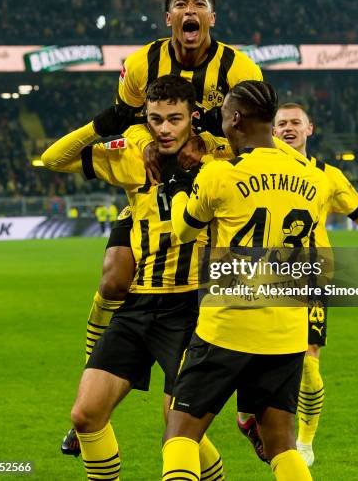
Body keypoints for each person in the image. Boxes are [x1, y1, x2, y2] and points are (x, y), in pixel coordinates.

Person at [58, 0, 264, 456]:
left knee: (233, 285)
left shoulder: (238, 66)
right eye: (180, 4)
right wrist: (149, 147)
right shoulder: (141, 64)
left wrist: (212, 139)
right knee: (113, 281)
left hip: (208, 182)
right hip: (149, 183)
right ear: (168, 16)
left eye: (199, 4)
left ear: (212, 16)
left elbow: (257, 131)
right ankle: (95, 379)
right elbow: (125, 119)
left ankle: (251, 408)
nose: (190, 11)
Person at [42, 77, 225, 481]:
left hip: (192, 308)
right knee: (86, 415)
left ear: (192, 118)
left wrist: (214, 132)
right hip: (139, 305)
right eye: (156, 119)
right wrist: (102, 124)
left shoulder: (217, 160)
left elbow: (267, 149)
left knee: (178, 428)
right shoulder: (131, 157)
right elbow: (52, 159)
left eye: (175, 119)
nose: (164, 128)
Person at [161, 81, 329, 480]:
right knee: (282, 445)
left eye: (223, 116)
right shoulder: (313, 177)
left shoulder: (220, 174)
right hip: (287, 329)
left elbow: (183, 231)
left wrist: (179, 186)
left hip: (228, 325)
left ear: (235, 118)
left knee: (180, 435)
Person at [237, 102, 358, 467]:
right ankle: (248, 413)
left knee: (309, 362)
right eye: (281, 123)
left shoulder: (328, 175)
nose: (287, 128)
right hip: (265, 274)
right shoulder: (260, 167)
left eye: (294, 123)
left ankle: (304, 441)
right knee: (252, 353)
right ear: (272, 129)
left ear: (309, 129)